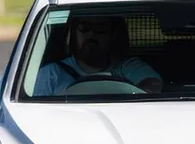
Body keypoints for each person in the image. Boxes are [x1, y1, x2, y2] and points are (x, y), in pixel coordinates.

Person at [33, 15, 163, 96]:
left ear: (114, 36)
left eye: (100, 30)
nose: (91, 35)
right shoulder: (51, 74)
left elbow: (152, 84)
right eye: (84, 28)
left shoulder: (128, 67)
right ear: (74, 34)